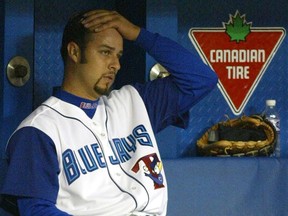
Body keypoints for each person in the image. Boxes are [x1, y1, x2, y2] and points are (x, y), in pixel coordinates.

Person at [1, 9, 218, 216]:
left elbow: (201, 79)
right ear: (74, 52)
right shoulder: (39, 129)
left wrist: (137, 33)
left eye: (118, 55)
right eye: (105, 52)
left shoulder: (136, 102)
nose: (115, 64)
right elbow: (36, 210)